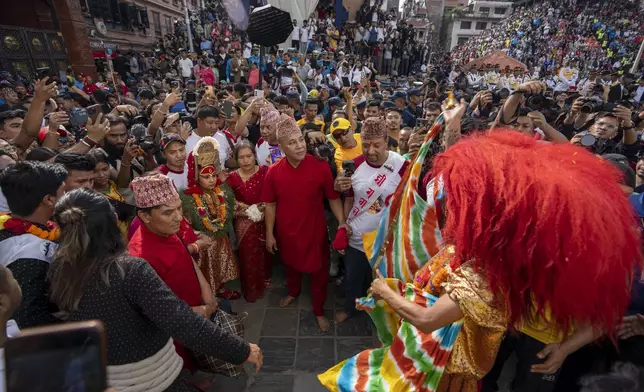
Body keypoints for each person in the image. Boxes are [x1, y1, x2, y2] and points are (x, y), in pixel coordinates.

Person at [319, 130, 639, 392]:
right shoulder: (487, 251)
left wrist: (384, 291)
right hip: (486, 343)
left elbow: (428, 319)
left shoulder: (486, 273)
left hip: (465, 368)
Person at [49, 188, 262, 390]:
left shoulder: (57, 268)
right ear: (115, 222)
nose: (178, 217)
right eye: (169, 212)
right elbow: (181, 321)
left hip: (104, 376)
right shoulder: (130, 269)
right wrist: (242, 350)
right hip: (148, 378)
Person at [261, 116, 347, 331]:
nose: (299, 146)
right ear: (281, 147)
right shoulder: (273, 173)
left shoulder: (319, 166)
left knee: (319, 272)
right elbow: (270, 205)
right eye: (292, 143)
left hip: (315, 231)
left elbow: (333, 198)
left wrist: (342, 223)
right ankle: (293, 291)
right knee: (290, 265)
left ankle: (318, 309)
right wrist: (270, 234)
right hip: (287, 232)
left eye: (300, 140)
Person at [128, 173, 219, 371]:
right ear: (145, 216)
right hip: (174, 331)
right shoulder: (139, 258)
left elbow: (188, 259)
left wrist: (207, 293)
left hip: (197, 317)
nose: (179, 217)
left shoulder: (169, 230)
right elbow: (151, 312)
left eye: (179, 208)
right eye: (169, 212)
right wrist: (198, 312)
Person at [333, 117, 408, 324]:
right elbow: (348, 198)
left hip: (387, 240)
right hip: (357, 238)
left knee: (383, 281)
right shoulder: (354, 166)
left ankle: (379, 315)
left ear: (386, 141)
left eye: (377, 145)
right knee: (353, 278)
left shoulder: (402, 166)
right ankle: (352, 309)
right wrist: (344, 223)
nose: (370, 150)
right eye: (366, 145)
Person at [0, 161, 67, 328]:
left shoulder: (9, 226)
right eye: (64, 192)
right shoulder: (29, 256)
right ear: (49, 200)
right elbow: (25, 318)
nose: (68, 196)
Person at [181, 136, 240, 300]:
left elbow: (233, 207)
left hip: (221, 238)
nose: (212, 179)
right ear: (197, 177)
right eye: (206, 177)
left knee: (221, 267)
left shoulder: (222, 192)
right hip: (205, 243)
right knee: (208, 271)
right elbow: (187, 224)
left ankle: (221, 290)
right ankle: (209, 296)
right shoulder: (190, 199)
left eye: (214, 175)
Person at [227, 142, 271, 302]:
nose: (246, 161)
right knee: (248, 255)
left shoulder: (266, 172)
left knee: (266, 251)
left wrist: (265, 209)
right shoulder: (231, 178)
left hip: (266, 219)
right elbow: (229, 202)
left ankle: (265, 278)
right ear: (236, 159)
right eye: (241, 157)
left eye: (249, 156)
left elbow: (273, 195)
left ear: (255, 156)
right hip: (244, 223)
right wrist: (245, 210)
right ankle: (252, 289)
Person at [88, 149, 135, 238]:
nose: (101, 175)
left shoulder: (113, 185)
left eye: (105, 169)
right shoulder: (92, 196)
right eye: (95, 171)